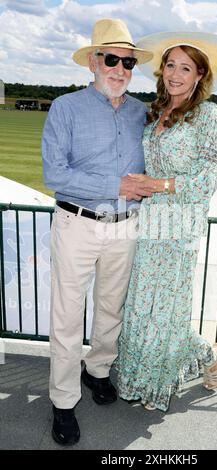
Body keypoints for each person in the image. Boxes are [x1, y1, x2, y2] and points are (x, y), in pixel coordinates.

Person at [42, 18, 153, 445]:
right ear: (93, 62)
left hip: (126, 227)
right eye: (112, 59)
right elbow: (56, 174)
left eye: (128, 62)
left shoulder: (142, 111)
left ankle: (99, 371)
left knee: (111, 308)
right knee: (67, 317)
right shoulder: (65, 108)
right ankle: (64, 401)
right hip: (76, 225)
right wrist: (118, 186)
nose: (120, 68)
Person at [116, 31, 217, 411]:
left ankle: (168, 378)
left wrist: (159, 183)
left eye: (185, 67)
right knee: (141, 306)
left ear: (200, 75)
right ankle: (184, 362)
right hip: (149, 220)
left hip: (181, 224)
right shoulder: (154, 112)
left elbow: (207, 180)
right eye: (170, 64)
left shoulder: (209, 115)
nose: (175, 73)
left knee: (166, 309)